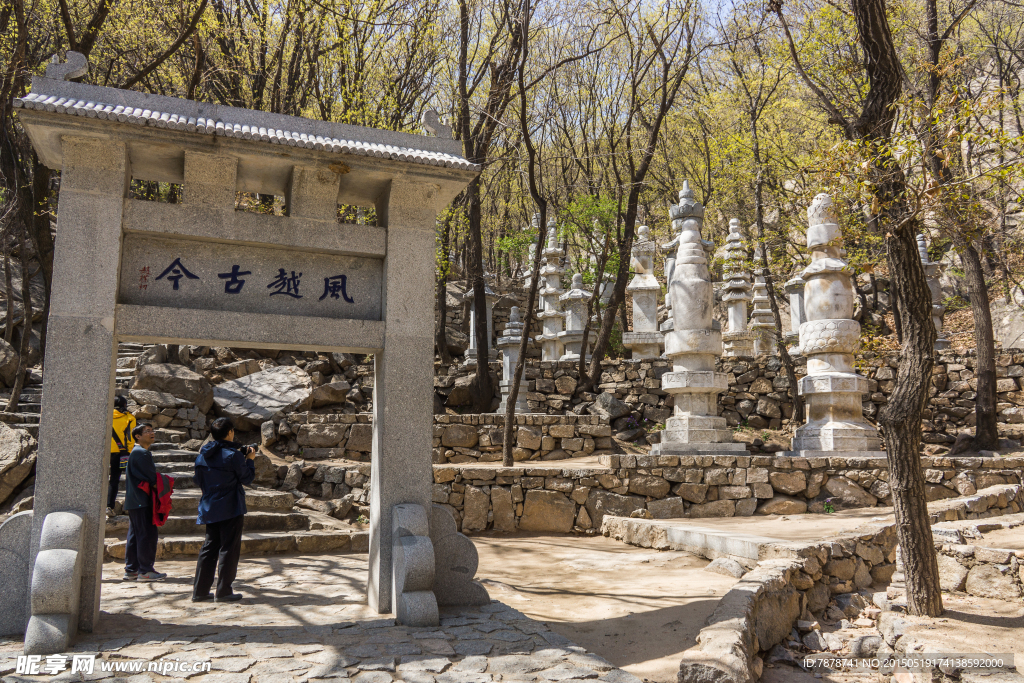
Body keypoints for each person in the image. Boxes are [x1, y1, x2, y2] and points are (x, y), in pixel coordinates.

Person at [192, 417, 257, 603]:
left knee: (209, 547)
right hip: (230, 506)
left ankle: (200, 591)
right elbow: (247, 478)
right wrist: (250, 460)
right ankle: (223, 591)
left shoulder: (202, 455)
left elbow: (197, 480)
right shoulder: (233, 455)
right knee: (229, 548)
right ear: (230, 432)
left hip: (209, 506)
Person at [123, 423, 167, 582]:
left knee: (135, 535)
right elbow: (151, 479)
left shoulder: (137, 452)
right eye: (147, 431)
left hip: (134, 501)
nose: (152, 433)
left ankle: (132, 570)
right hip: (142, 500)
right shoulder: (142, 454)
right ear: (137, 436)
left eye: (152, 430)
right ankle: (145, 570)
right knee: (147, 534)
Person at [108, 395, 137, 516]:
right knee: (123, 479)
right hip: (121, 453)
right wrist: (128, 451)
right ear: (125, 405)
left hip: (104, 452)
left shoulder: (105, 415)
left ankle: (105, 506)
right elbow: (131, 437)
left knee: (107, 480)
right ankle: (121, 506)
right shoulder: (129, 418)